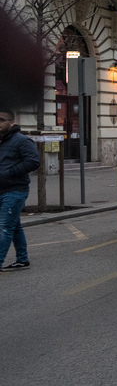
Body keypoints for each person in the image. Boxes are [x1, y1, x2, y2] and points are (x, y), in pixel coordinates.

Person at [0, 108, 40, 270]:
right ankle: (22, 260)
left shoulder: (22, 141)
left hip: (15, 190)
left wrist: (8, 173)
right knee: (14, 226)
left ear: (11, 122)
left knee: (5, 227)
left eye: (2, 120)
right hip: (2, 189)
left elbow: (33, 162)